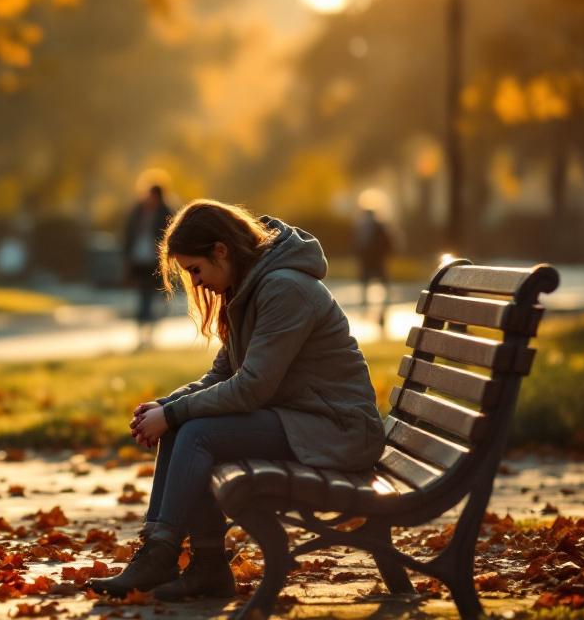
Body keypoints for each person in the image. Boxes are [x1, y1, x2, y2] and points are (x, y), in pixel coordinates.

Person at [88, 199, 384, 600]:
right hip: (303, 421)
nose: (195, 283)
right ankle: (200, 565)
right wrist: (167, 405)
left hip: (338, 430)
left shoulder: (285, 289)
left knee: (197, 433)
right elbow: (222, 376)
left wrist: (174, 414)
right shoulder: (247, 287)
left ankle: (161, 554)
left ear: (221, 251)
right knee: (184, 429)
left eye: (196, 269)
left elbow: (252, 388)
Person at [120, 180, 174, 348]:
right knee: (142, 295)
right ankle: (142, 332)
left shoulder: (165, 212)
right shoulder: (138, 211)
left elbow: (168, 235)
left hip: (156, 260)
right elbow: (128, 233)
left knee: (154, 296)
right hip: (139, 259)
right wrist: (127, 257)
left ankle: (150, 331)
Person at [354, 205, 395, 328]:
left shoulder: (364, 227)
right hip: (373, 260)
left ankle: (372, 301)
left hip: (373, 260)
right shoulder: (370, 226)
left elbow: (358, 244)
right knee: (375, 281)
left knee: (372, 281)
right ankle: (370, 301)